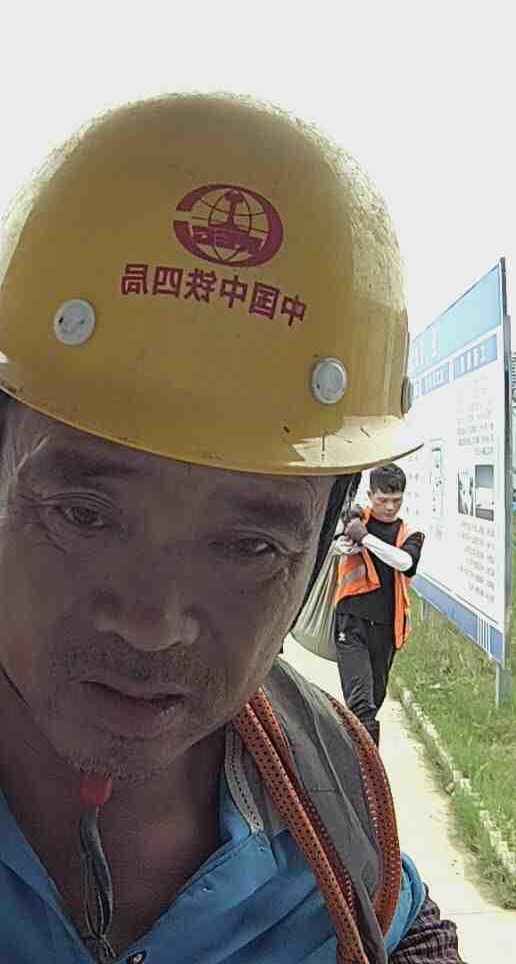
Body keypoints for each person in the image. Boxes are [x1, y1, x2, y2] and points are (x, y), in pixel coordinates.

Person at [0, 94, 464, 962]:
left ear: (318, 547)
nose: (152, 622)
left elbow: (406, 927)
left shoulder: (332, 800)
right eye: (84, 515)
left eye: (250, 546)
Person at [334, 465, 425, 746]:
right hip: (351, 622)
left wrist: (365, 538)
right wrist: (341, 543)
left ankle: (354, 753)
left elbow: (405, 562)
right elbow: (333, 538)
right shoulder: (356, 517)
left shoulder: (410, 534)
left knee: (374, 699)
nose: (389, 506)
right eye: (383, 499)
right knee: (361, 704)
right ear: (370, 495)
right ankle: (365, 767)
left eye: (396, 500)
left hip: (386, 629)